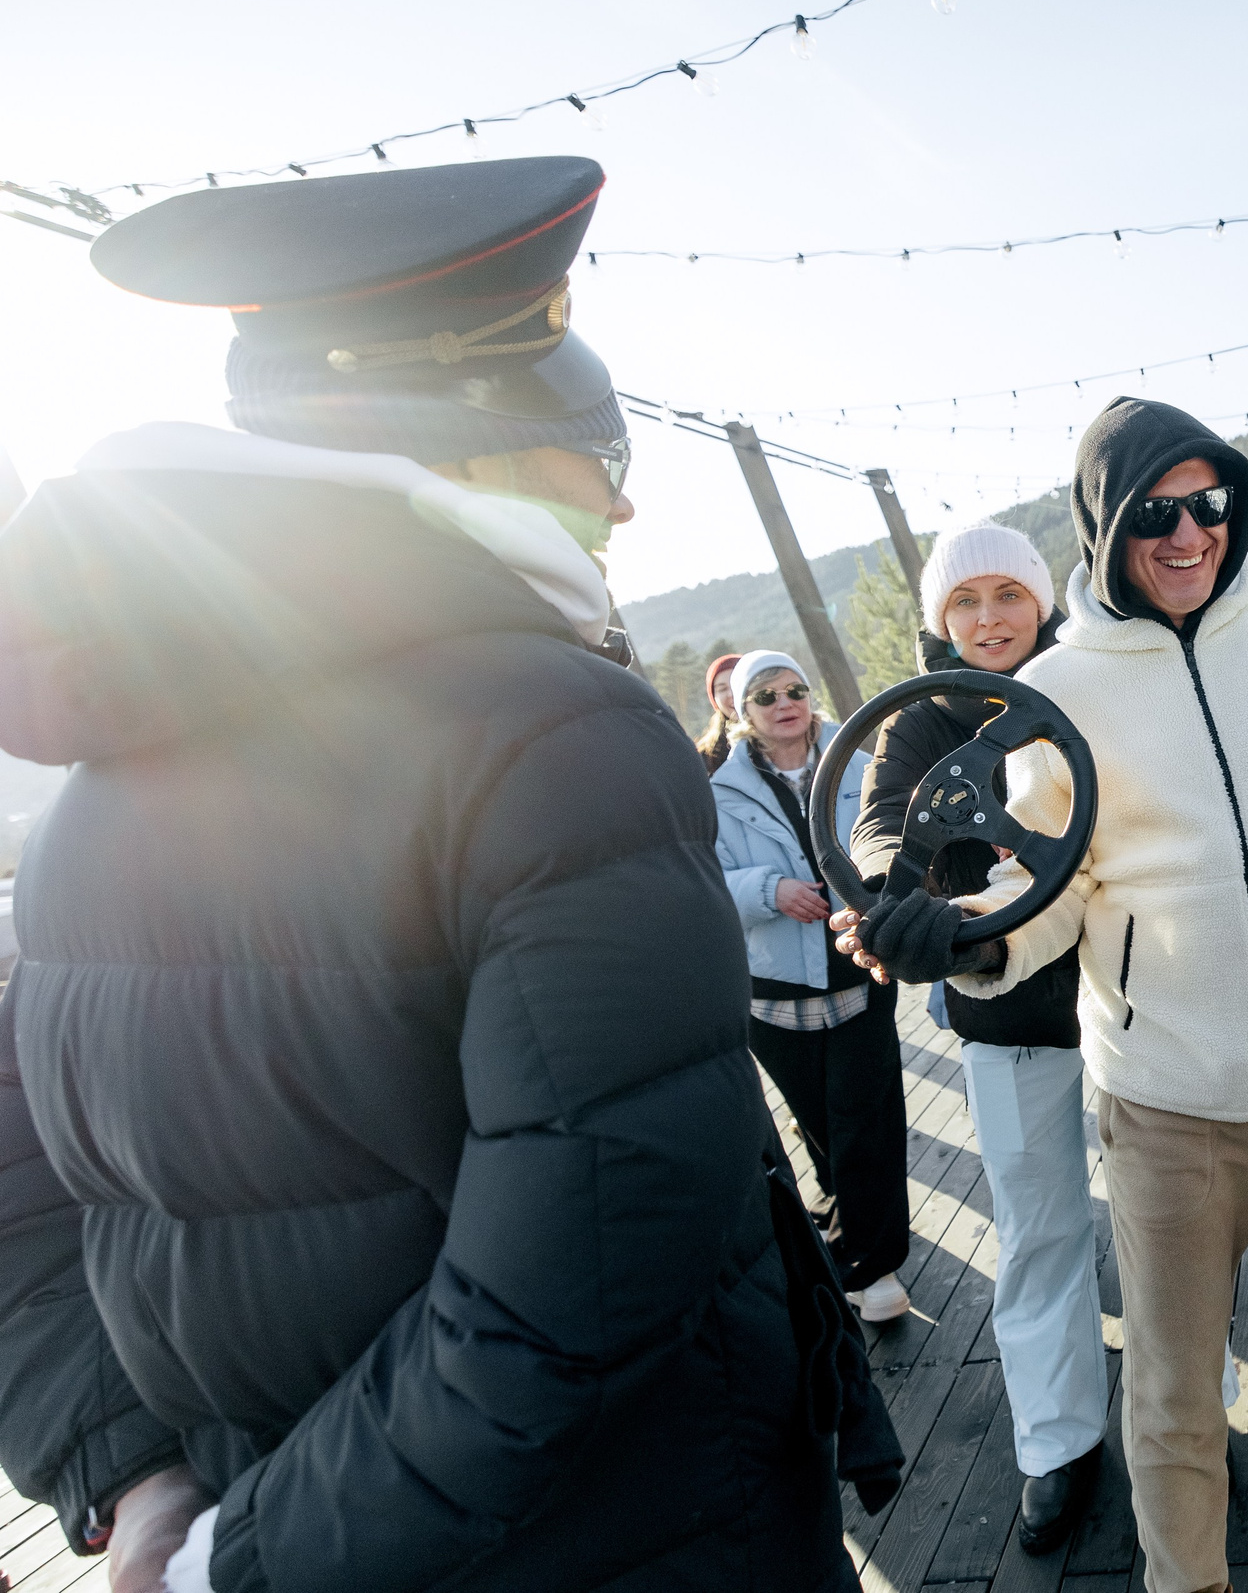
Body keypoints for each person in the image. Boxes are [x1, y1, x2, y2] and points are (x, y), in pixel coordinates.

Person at [0, 158, 893, 1593]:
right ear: (462, 434)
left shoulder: (86, 793)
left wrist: (139, 1476)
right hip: (632, 1527)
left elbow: (21, 1191)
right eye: (597, 451)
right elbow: (596, 1255)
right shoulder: (562, 733)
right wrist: (248, 1556)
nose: (626, 505)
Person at [840, 398, 1248, 1593]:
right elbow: (1048, 898)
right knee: (1174, 1397)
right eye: (1155, 513)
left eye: (1210, 504)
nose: (1189, 535)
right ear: (1104, 527)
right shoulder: (1057, 693)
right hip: (1170, 1104)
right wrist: (963, 941)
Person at [845, 524, 1111, 1553]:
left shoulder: (1093, 684)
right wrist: (883, 895)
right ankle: (1056, 1441)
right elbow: (875, 830)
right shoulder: (914, 725)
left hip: (1126, 1001)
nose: (990, 617)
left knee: (1168, 1226)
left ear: (1041, 602)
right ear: (938, 620)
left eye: (1008, 594)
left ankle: (1193, 1409)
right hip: (1004, 1009)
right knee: (1039, 1232)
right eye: (967, 602)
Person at [713, 649, 910, 1323]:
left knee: (868, 1120)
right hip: (773, 992)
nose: (784, 702)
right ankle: (842, 1229)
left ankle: (876, 1266)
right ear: (744, 714)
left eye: (794, 688)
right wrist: (769, 889)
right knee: (821, 1128)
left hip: (858, 968)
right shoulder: (716, 791)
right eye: (765, 696)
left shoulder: (860, 764)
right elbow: (707, 877)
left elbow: (896, 839)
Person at [698, 648, 741, 773]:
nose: (731, 694)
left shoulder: (787, 733)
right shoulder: (707, 757)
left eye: (736, 685)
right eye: (722, 689)